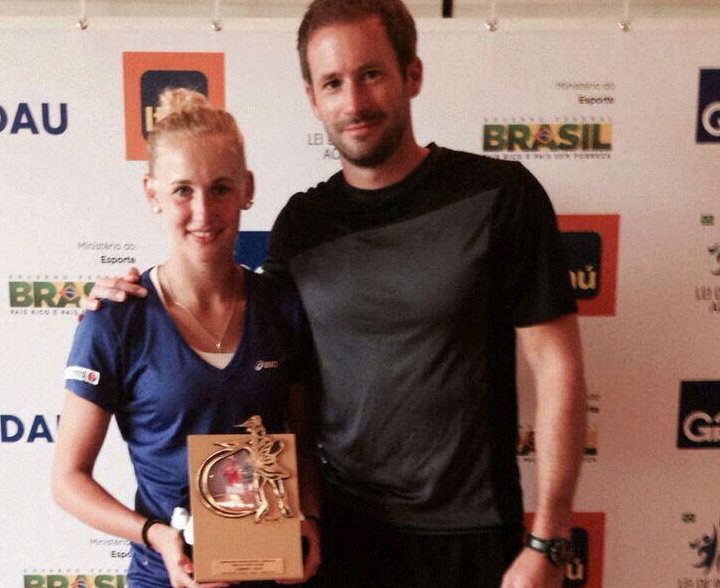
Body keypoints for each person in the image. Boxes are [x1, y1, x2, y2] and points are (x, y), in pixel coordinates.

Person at [86, 1, 587, 586]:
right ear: (313, 98)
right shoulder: (302, 226)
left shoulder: (499, 196)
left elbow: (558, 369)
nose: (353, 102)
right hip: (340, 541)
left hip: (472, 539)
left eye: (371, 74)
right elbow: (248, 342)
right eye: (332, 83)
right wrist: (121, 301)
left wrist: (547, 541)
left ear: (412, 74)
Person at [52, 89, 321, 588]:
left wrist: (309, 519)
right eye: (182, 190)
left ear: (247, 189)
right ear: (152, 193)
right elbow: (68, 479)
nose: (203, 212)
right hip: (163, 577)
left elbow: (302, 446)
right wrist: (154, 534)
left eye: (220, 188)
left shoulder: (283, 308)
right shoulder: (115, 319)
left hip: (269, 575)